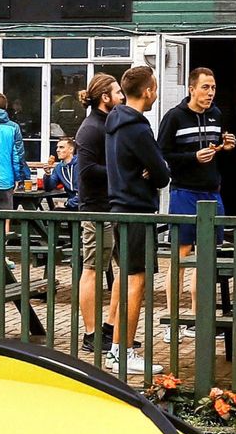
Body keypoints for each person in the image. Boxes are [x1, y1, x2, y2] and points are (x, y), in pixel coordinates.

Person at [157, 67, 234, 334]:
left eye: (213, 88)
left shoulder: (216, 115)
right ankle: (172, 322)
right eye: (205, 87)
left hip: (212, 192)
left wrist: (225, 145)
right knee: (179, 258)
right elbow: (161, 153)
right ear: (191, 88)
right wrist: (192, 157)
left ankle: (197, 320)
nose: (210, 93)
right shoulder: (174, 117)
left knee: (207, 258)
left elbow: (214, 147)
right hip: (184, 192)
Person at [105, 65, 171, 374]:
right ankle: (122, 350)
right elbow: (161, 173)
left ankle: (118, 349)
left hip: (120, 208)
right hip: (136, 210)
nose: (156, 93)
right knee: (136, 282)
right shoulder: (139, 128)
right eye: (155, 88)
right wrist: (154, 169)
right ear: (147, 91)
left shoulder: (114, 122)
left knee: (128, 278)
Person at [72, 74, 124, 356]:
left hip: (114, 206)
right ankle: (91, 334)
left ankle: (110, 329)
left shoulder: (110, 123)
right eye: (117, 92)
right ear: (105, 97)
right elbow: (87, 170)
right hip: (95, 209)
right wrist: (122, 172)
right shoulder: (90, 128)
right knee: (93, 269)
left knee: (125, 269)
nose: (122, 96)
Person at [37, 137, 78, 206]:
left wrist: (66, 204)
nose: (57, 150)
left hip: (87, 205)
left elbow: (87, 193)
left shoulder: (81, 165)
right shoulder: (58, 168)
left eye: (61, 147)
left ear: (71, 149)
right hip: (72, 204)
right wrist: (47, 174)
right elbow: (49, 188)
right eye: (57, 147)